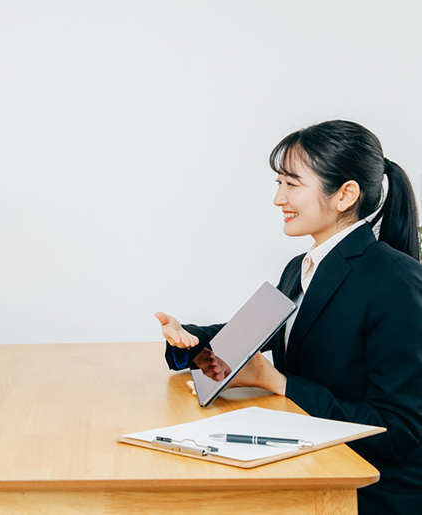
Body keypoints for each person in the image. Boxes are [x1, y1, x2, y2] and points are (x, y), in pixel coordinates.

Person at [155, 120, 422, 514]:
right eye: (279, 183)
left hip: (368, 490)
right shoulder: (301, 267)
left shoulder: (394, 279)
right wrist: (189, 340)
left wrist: (277, 381)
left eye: (292, 184)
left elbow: (398, 431)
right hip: (313, 463)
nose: (278, 198)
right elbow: (252, 333)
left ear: (345, 194)